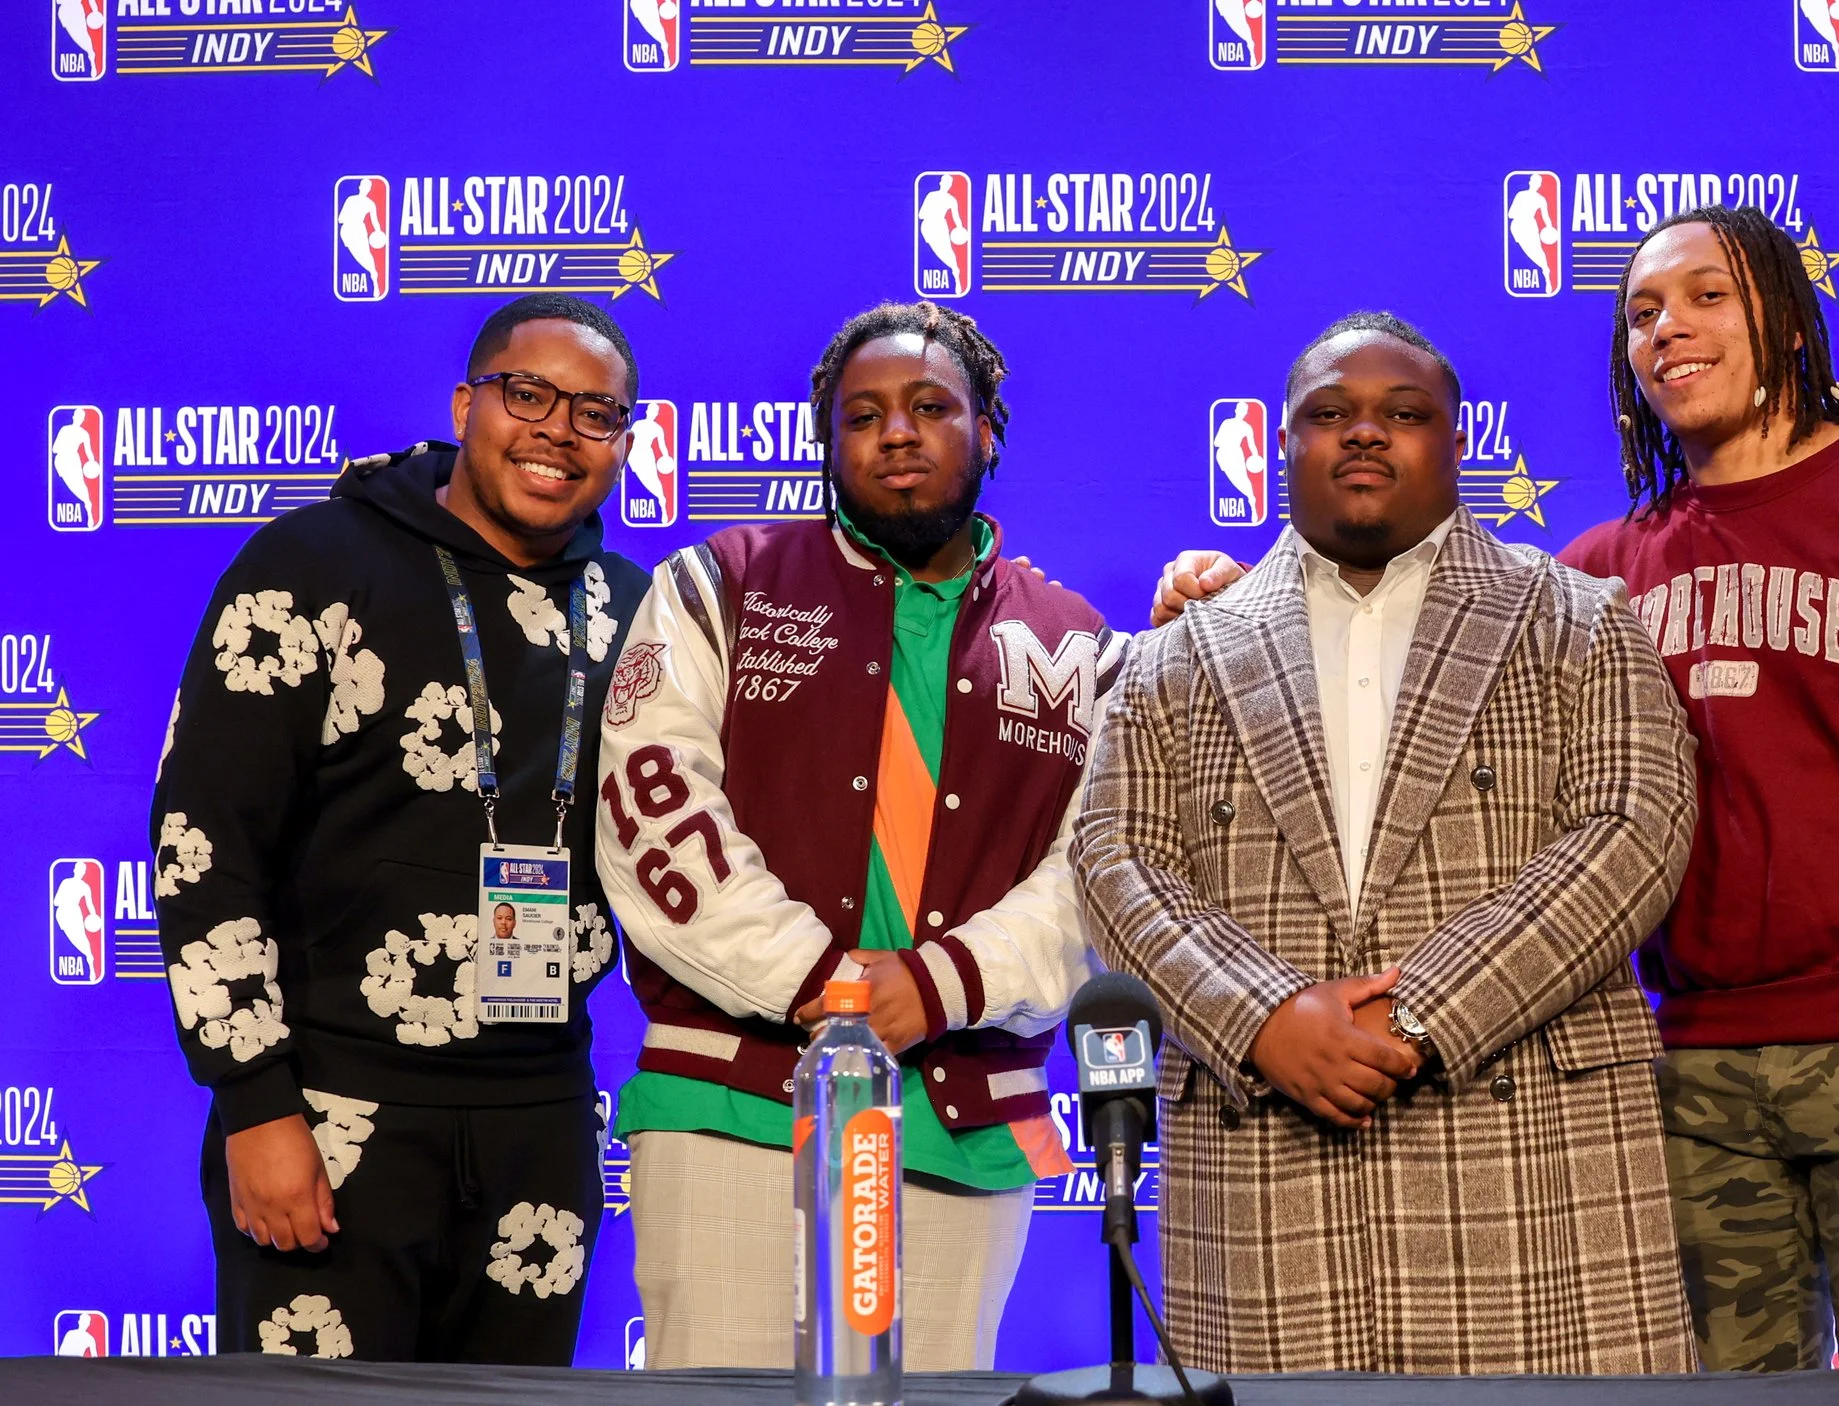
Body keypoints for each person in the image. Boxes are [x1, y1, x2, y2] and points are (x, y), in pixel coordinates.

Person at [1148, 209, 1839, 1371]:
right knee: (1714, 1402)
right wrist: (1244, 598)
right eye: (1641, 312)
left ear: (1785, 315)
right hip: (1696, 1061)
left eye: (1706, 295)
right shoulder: (1601, 572)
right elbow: (1395, 675)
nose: (1668, 327)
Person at [1076, 313, 1700, 1374]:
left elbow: (1634, 829)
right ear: (1282, 443)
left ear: (1455, 442)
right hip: (1269, 1176)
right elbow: (1114, 861)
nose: (1365, 432)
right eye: (1331, 413)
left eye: (1403, 413)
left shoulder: (1578, 620)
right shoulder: (1181, 652)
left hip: (1532, 1172)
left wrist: (1417, 1013)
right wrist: (1267, 1018)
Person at [597, 301, 1117, 1370]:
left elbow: (1098, 877)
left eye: (931, 407)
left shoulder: (1077, 646)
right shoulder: (721, 584)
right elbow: (653, 808)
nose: (897, 433)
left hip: (962, 1123)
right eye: (863, 415)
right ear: (828, 445)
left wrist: (937, 985)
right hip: (732, 1101)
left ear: (988, 432)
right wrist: (826, 987)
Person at [152, 293, 652, 1362]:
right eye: (529, 395)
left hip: (541, 1129)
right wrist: (255, 1103)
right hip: (329, 1111)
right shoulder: (310, 566)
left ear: (625, 442)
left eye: (597, 413)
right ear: (467, 406)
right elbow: (206, 848)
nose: (559, 430)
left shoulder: (633, 608)